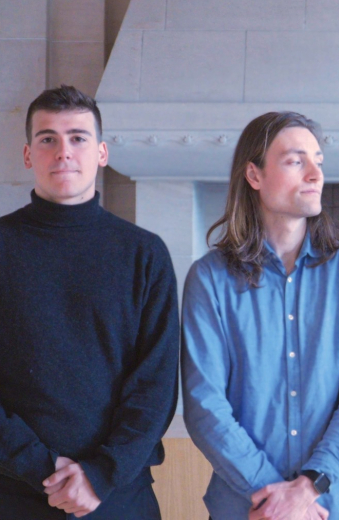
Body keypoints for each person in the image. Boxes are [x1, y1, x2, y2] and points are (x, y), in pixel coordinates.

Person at [181, 111, 339, 520]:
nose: (315, 174)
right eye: (296, 161)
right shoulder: (209, 279)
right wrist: (274, 499)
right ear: (254, 175)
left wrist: (308, 488)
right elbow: (205, 403)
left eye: (318, 161)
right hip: (249, 508)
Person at [0, 85, 179, 518]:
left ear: (101, 153)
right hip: (14, 493)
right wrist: (40, 465)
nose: (64, 151)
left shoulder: (144, 253)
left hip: (120, 494)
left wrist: (101, 473)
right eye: (48, 139)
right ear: (28, 155)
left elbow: (156, 384)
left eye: (78, 137)